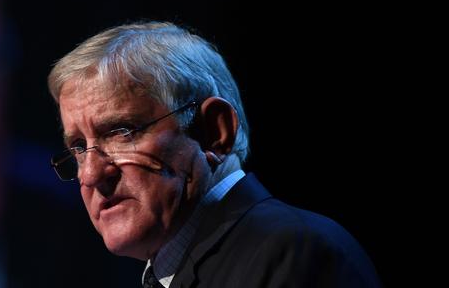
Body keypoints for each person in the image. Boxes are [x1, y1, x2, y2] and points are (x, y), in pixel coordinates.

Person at [47, 21, 381, 287]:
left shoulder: (294, 253)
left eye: (122, 132)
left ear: (214, 133)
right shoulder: (183, 269)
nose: (90, 174)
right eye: (78, 148)